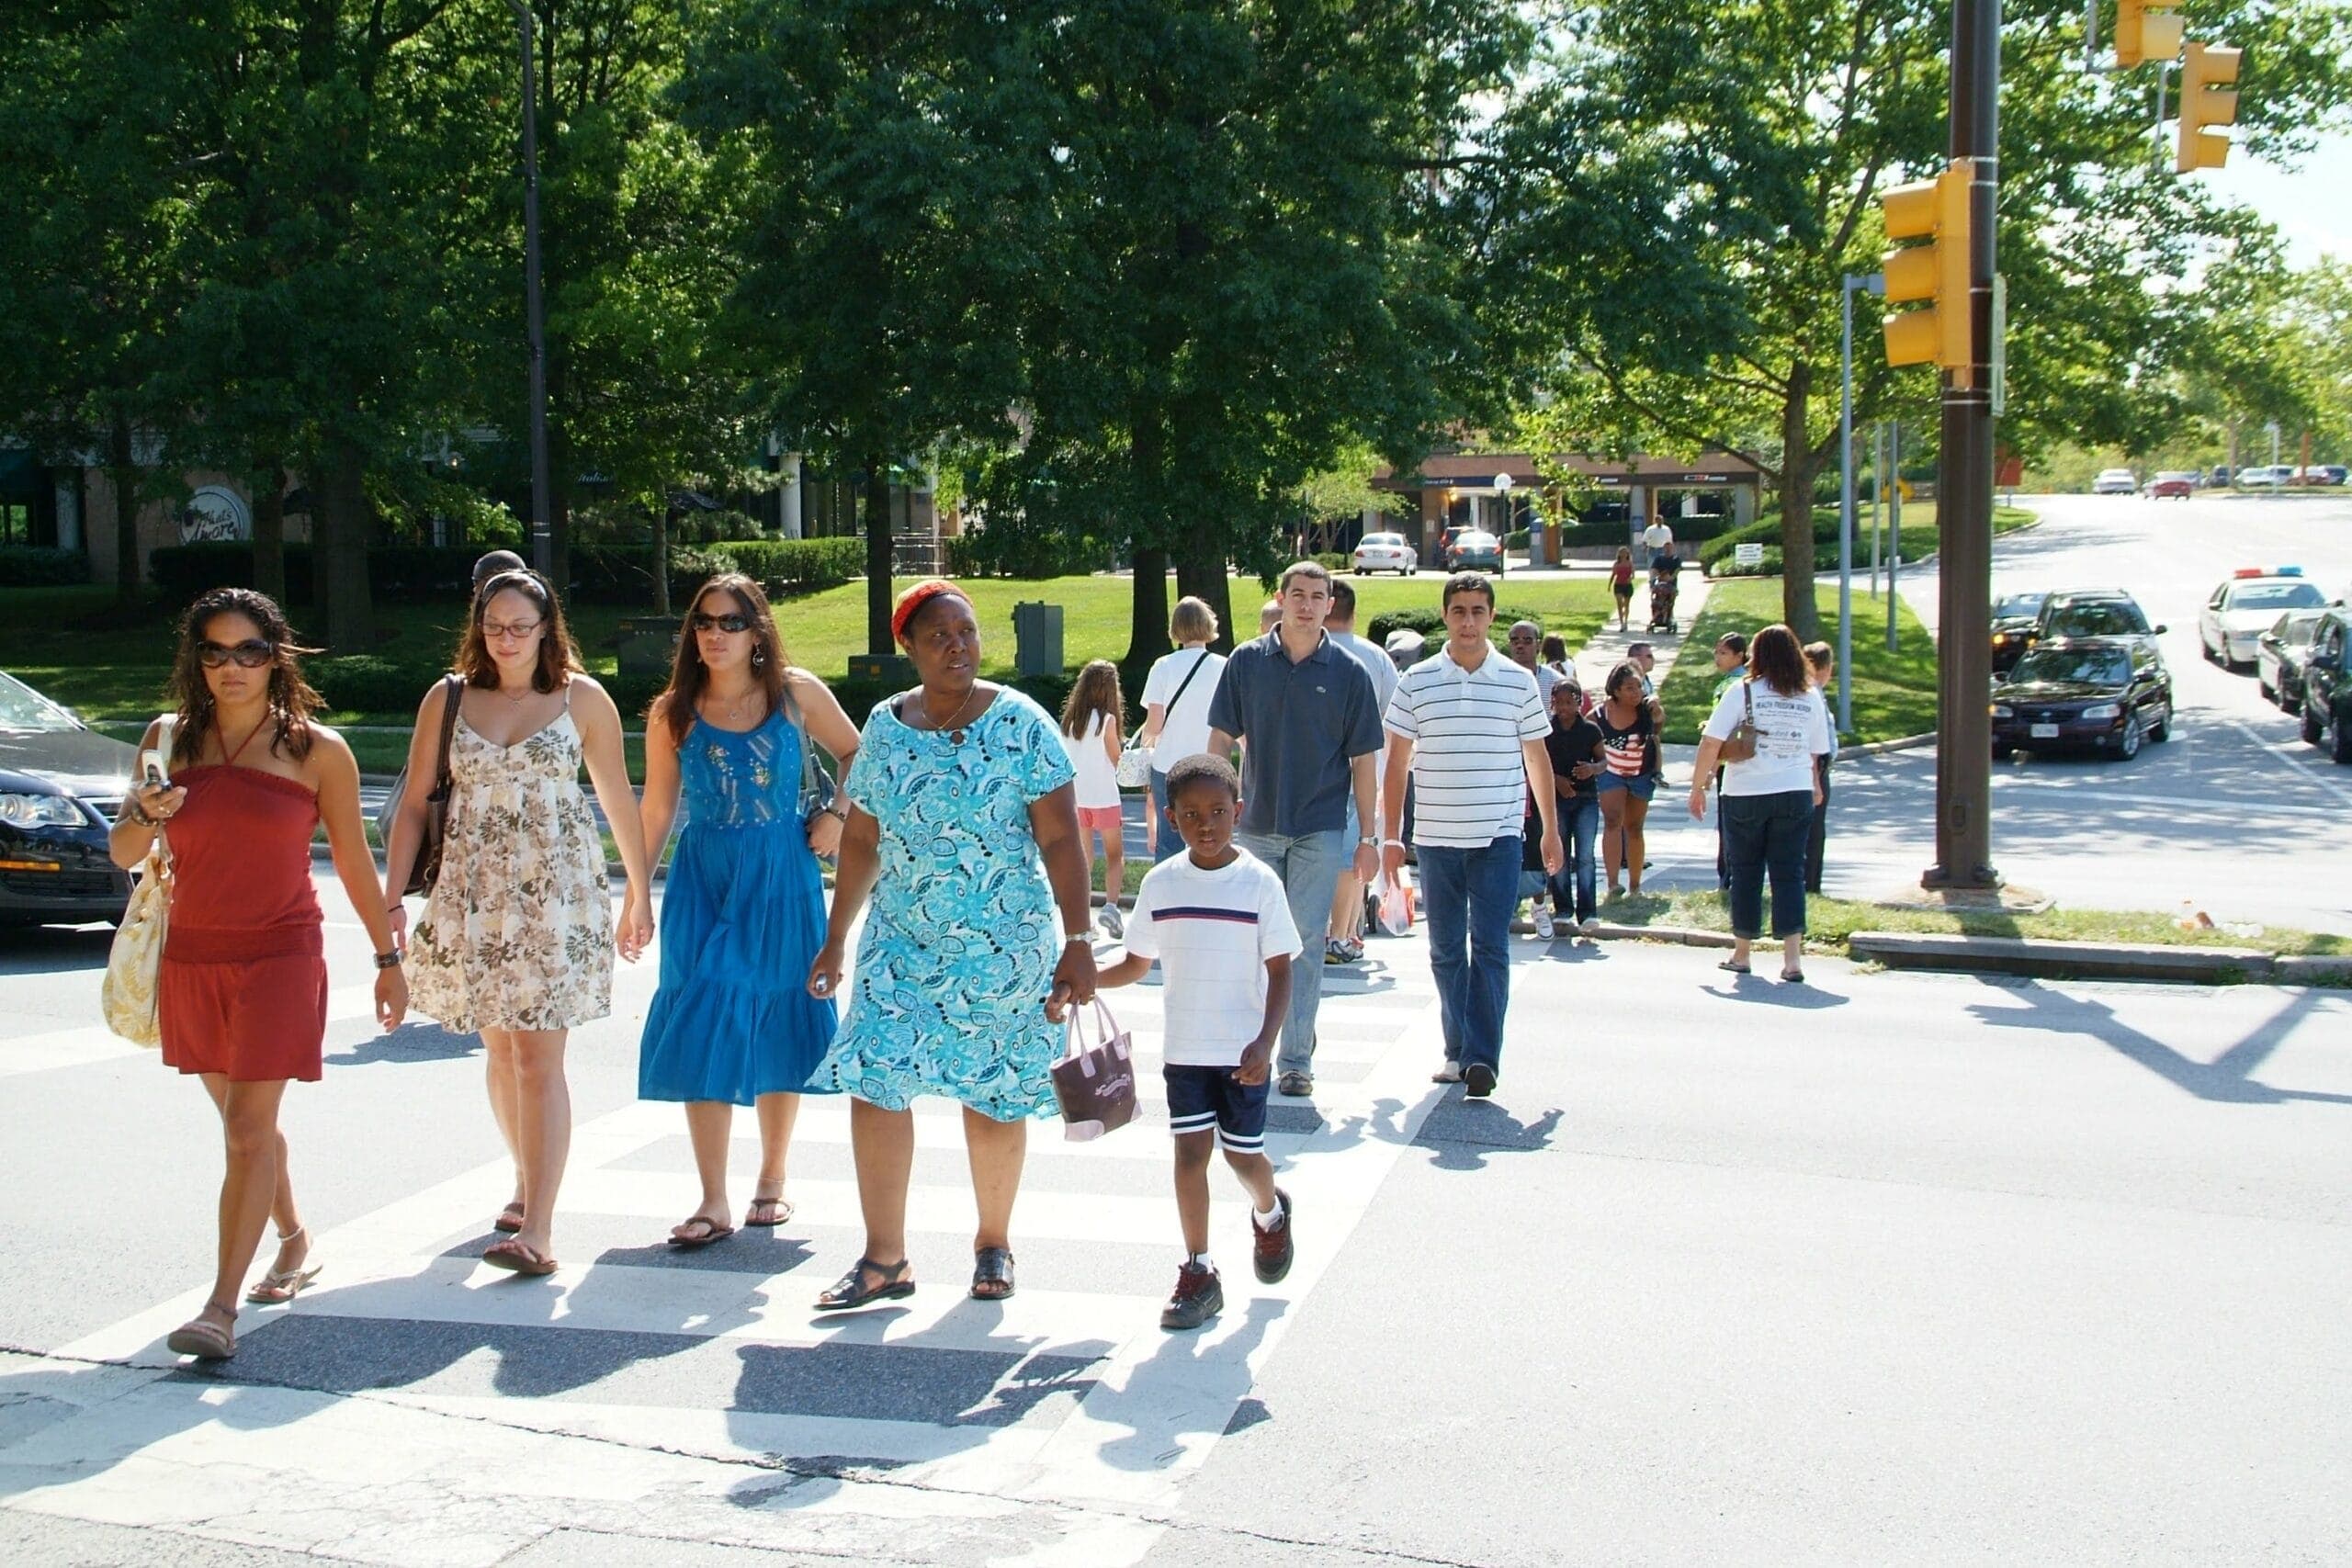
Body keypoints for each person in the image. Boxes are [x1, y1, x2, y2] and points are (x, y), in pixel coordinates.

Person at [113, 589, 407, 1360]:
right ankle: (294, 1235)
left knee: (246, 1128)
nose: (231, 666)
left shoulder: (318, 750)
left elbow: (351, 860)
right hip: (194, 954)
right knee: (247, 1125)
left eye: (248, 650)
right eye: (215, 651)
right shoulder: (168, 738)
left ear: (275, 656)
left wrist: (387, 959)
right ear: (196, 660)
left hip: (281, 953)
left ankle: (218, 1309)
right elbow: (121, 852)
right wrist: (146, 812)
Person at [806, 581, 1098, 1310]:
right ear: (908, 646)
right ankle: (884, 1259)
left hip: (1002, 944)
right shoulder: (883, 726)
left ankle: (992, 1241)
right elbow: (864, 839)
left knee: (995, 1092)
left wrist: (1081, 936)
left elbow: (1061, 838)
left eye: (966, 632)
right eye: (938, 635)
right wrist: (835, 937)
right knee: (875, 1079)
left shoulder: (1022, 723)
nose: (957, 647)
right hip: (900, 943)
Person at [385, 569, 654, 1278]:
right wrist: (390, 896)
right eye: (494, 625)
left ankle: (539, 1227)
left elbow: (616, 796)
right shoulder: (447, 698)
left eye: (520, 627)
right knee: (501, 1055)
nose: (506, 639)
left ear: (546, 629)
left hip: (557, 895)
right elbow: (414, 803)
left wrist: (639, 890)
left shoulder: (580, 698)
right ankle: (523, 1178)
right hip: (475, 896)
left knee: (539, 1059)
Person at [635, 574, 859, 1248]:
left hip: (781, 869)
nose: (715, 633)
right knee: (703, 1012)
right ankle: (711, 1197)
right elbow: (656, 807)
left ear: (757, 629)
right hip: (704, 875)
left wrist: (839, 815)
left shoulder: (794, 694)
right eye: (704, 621)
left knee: (779, 1010)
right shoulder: (673, 710)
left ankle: (772, 1176)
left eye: (731, 622)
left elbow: (858, 749)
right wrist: (635, 893)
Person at [1096, 754, 1300, 1331]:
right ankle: (1199, 1269)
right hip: (1185, 1051)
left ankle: (1270, 1212)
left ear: (1238, 812)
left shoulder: (1259, 882)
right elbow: (1137, 962)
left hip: (1242, 1055)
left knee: (1243, 1157)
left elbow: (1282, 970)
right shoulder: (1161, 884)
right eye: (1191, 815)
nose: (1206, 824)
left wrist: (1266, 1042)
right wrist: (1086, 982)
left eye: (1217, 812)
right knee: (1190, 1157)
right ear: (1170, 817)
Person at [1206, 561, 1383, 1098]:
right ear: (1281, 599)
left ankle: (1296, 1060)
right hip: (1256, 824)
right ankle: (1243, 1048)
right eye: (1298, 594)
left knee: (1304, 943)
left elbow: (1366, 764)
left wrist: (1371, 838)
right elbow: (1219, 742)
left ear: (1331, 604)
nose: (1307, 604)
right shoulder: (1246, 662)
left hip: (1320, 828)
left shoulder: (1349, 672)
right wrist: (1214, 811)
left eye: (1318, 596)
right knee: (1249, 942)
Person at [1382, 572, 1561, 1097]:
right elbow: (1397, 764)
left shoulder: (1517, 681)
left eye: (1478, 611)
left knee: (1489, 947)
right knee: (1444, 951)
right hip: (1436, 838)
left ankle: (1483, 1058)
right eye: (1458, 610)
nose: (1468, 621)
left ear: (1492, 618)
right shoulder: (1416, 682)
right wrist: (1391, 836)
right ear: (1445, 616)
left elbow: (1537, 759)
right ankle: (1456, 1049)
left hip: (1498, 837)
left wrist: (1549, 831)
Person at [1690, 624, 1831, 983]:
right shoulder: (1809, 694)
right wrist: (1815, 785)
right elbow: (1817, 751)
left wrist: (1697, 786)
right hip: (1795, 789)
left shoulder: (1743, 691)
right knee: (1790, 873)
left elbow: (1711, 742)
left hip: (1746, 791)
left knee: (1746, 872)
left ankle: (1742, 953)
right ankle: (1792, 959)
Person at [1322, 580, 1399, 965]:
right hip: (1366, 767)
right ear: (1353, 613)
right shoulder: (1375, 657)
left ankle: (1335, 931)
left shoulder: (1309, 651)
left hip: (1317, 770)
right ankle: (1344, 931)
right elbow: (1396, 715)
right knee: (1356, 852)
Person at [1135, 599, 1227, 866]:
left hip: (1168, 765)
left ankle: (1169, 901)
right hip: (1211, 764)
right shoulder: (1224, 665)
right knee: (1212, 836)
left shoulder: (1163, 666)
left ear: (1175, 628)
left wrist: (1144, 752)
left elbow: (1153, 726)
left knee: (1169, 841)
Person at [1060, 660, 1127, 936]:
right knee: (1115, 854)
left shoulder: (1071, 721)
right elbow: (1116, 760)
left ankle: (1084, 916)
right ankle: (1111, 906)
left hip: (1078, 797)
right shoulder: (1107, 721)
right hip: (1104, 796)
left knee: (1085, 857)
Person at [1538, 676, 1605, 935]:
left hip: (1586, 800)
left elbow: (1603, 761)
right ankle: (1563, 908)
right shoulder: (1546, 730)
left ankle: (1588, 911)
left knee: (1586, 856)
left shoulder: (1590, 730)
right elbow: (1536, 762)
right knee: (1559, 855)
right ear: (1552, 704)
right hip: (1556, 800)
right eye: (1559, 702)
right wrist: (1556, 780)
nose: (1564, 708)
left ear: (1579, 702)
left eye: (1569, 702)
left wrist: (1592, 769)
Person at [1595, 660, 1661, 899]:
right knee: (1613, 821)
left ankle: (1635, 885)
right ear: (1616, 690)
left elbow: (1660, 723)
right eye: (1630, 688)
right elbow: (1588, 733)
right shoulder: (1601, 714)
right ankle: (1613, 884)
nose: (1637, 692)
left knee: (1635, 827)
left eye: (1639, 686)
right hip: (1611, 773)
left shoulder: (1646, 709)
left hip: (1641, 773)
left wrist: (1655, 706)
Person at [1709, 633, 1751, 889]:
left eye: (1724, 653)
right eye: (1717, 652)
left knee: (1729, 820)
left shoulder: (1732, 686)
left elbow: (1720, 730)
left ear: (1740, 656)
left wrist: (1711, 765)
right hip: (1736, 756)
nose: (1718, 657)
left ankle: (1728, 875)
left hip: (1728, 759)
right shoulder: (1732, 682)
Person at [1804, 640, 1839, 895]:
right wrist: (1816, 779)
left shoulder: (1810, 692)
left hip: (1816, 766)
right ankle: (1810, 886)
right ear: (1826, 668)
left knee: (1815, 831)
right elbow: (1814, 742)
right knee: (1813, 833)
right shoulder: (1812, 693)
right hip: (1814, 768)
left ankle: (1812, 884)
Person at [1610, 547, 1635, 630]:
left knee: (1626, 605)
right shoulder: (1616, 564)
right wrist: (1609, 585)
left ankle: (1626, 621)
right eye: (1622, 552)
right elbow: (1613, 575)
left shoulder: (1630, 563)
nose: (1623, 554)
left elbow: (1633, 575)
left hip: (1627, 586)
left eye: (1625, 552)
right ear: (1619, 554)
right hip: (1618, 585)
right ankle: (1621, 623)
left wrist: (1630, 578)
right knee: (1620, 605)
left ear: (1627, 554)